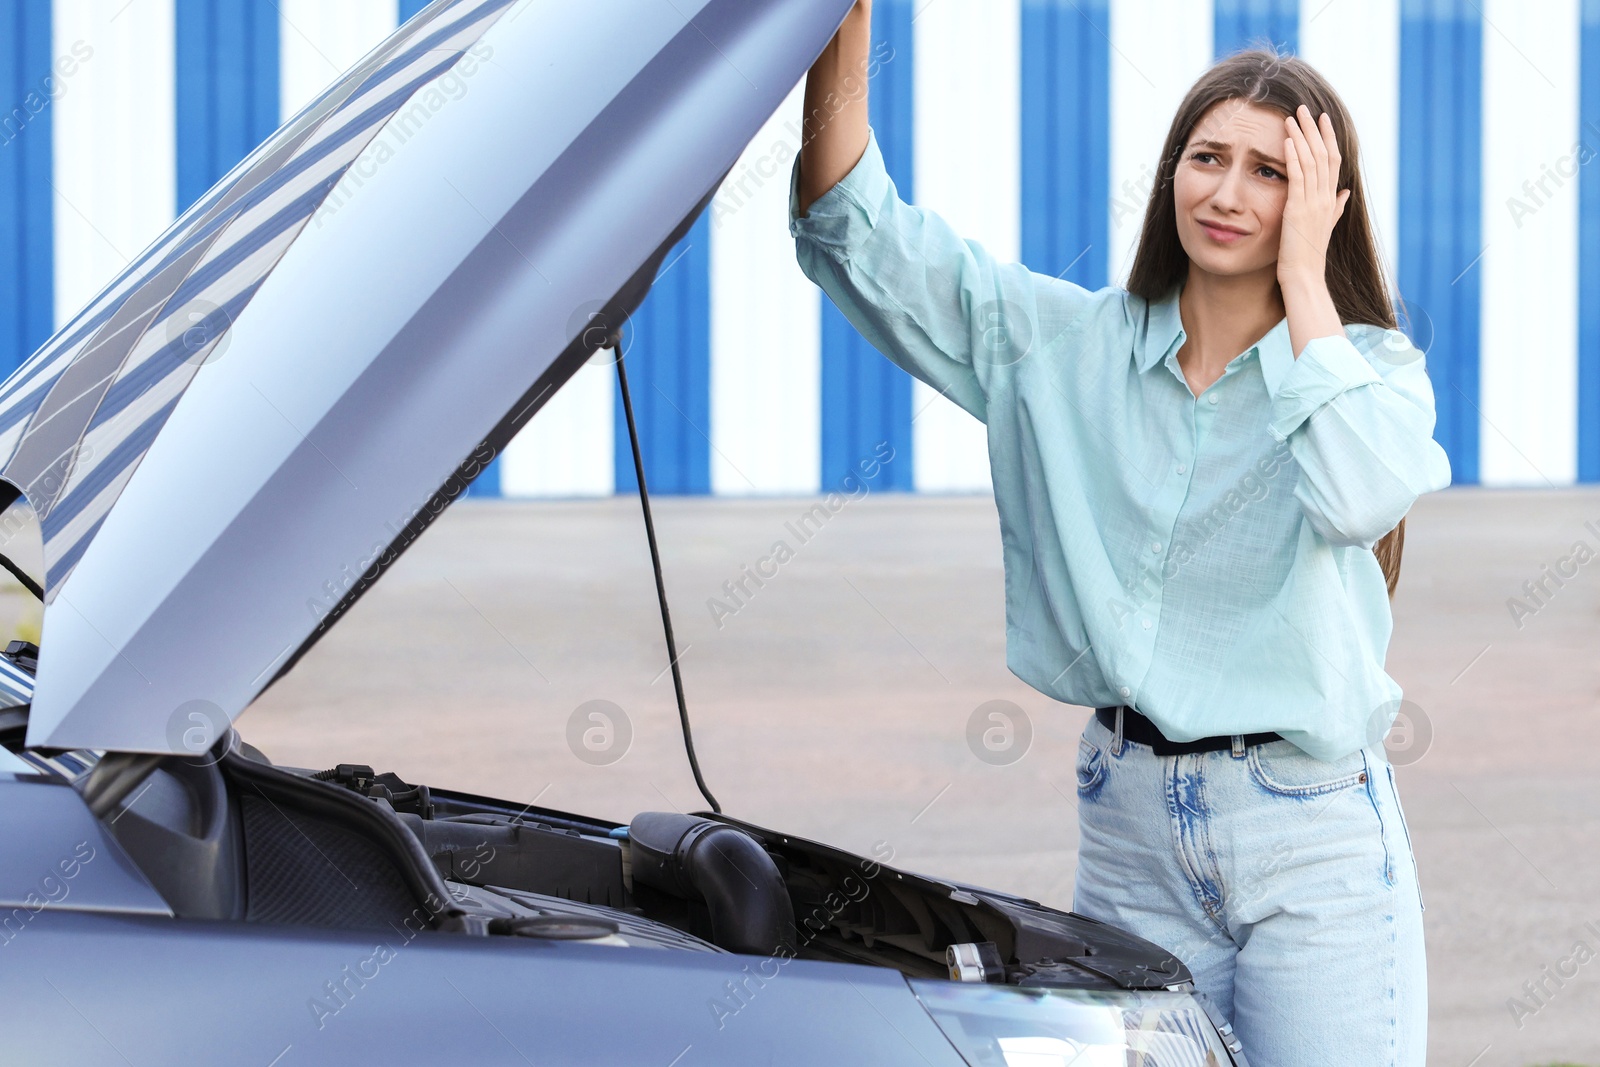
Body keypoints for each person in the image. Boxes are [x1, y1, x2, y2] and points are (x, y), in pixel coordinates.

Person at [790, 3, 1451, 1064]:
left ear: (1324, 203)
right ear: (1169, 172)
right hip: (1129, 825)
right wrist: (842, 27)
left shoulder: (1365, 366)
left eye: (1269, 172)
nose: (1227, 192)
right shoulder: (1059, 345)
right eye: (1206, 156)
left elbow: (1358, 496)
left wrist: (1302, 286)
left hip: (1312, 836)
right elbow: (852, 226)